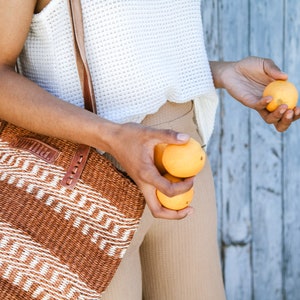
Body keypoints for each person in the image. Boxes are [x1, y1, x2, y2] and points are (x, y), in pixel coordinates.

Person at [0, 1, 299, 300]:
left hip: (183, 167)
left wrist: (220, 72)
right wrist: (112, 136)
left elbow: (134, 44)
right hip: (85, 183)